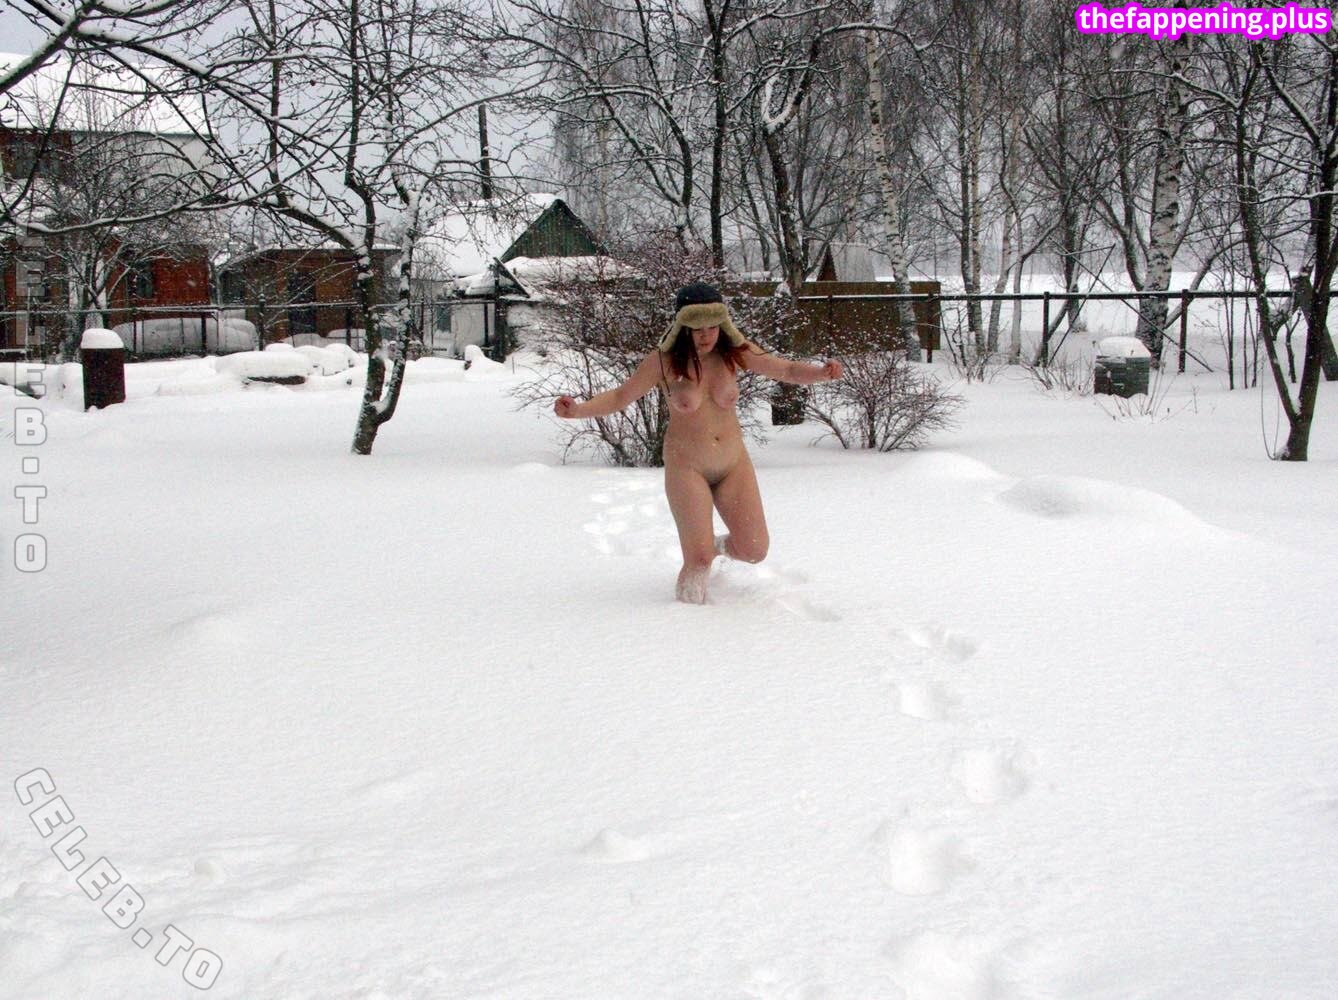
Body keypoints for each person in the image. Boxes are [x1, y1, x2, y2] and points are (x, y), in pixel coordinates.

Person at [555, 282, 843, 604]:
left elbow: (785, 368)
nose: (706, 335)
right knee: (698, 561)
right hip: (687, 467)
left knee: (754, 550)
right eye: (697, 328)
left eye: (712, 327)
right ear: (683, 327)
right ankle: (687, 619)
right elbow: (621, 396)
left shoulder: (734, 353)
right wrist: (578, 410)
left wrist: (820, 373)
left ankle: (714, 546)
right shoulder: (664, 361)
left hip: (733, 465)